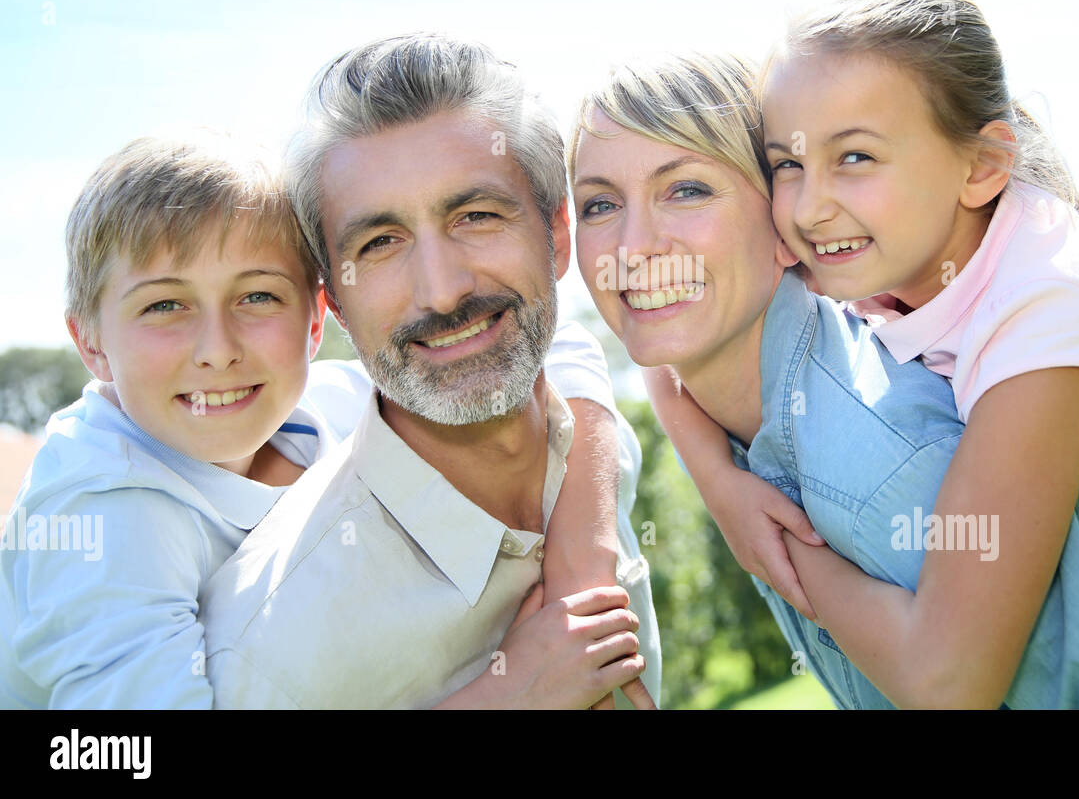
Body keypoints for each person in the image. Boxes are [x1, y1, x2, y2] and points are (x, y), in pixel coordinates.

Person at [668, 0, 1079, 708]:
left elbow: (950, 682)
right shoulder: (892, 253)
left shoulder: (1044, 312)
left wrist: (782, 556)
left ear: (981, 167)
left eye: (857, 158)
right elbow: (675, 334)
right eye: (788, 164)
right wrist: (723, 487)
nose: (809, 206)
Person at [0, 127, 643, 709]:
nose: (218, 348)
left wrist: (581, 564)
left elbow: (554, 347)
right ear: (89, 341)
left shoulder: (327, 404)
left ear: (316, 319)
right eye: (166, 306)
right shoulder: (100, 520)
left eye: (258, 296)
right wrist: (514, 692)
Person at [196, 33, 659, 708]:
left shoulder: (595, 449)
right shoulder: (269, 654)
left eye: (476, 215)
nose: (442, 291)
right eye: (380, 243)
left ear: (556, 235)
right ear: (335, 302)